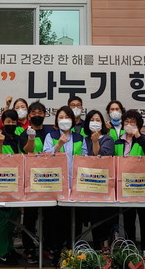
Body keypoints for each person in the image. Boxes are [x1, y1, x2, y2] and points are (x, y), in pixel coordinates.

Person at [44, 106, 87, 263]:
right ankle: (56, 252)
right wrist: (58, 145)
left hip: (75, 186)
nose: (64, 120)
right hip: (56, 186)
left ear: (73, 120)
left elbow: (85, 158)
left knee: (74, 220)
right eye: (61, 117)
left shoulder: (79, 137)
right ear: (56, 120)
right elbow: (45, 157)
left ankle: (72, 252)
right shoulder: (51, 135)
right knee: (56, 221)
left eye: (67, 117)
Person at [115, 109, 145, 249]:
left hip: (143, 185)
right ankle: (130, 249)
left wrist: (138, 135)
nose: (129, 124)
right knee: (128, 219)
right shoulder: (118, 141)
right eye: (126, 121)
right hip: (125, 186)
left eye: (132, 122)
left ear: (138, 124)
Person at [18, 101, 51, 264]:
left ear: (45, 114)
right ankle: (29, 248)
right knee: (30, 216)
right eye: (34, 113)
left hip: (50, 179)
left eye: (40, 112)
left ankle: (47, 247)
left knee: (49, 215)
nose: (37, 115)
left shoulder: (51, 132)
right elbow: (27, 150)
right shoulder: (25, 133)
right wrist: (31, 138)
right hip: (31, 179)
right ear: (29, 115)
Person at [0, 110, 23, 264]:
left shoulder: (18, 138)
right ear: (3, 123)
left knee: (13, 218)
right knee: (4, 218)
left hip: (17, 183)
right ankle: (2, 253)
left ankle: (10, 248)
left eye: (13, 122)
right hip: (3, 183)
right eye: (8, 121)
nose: (11, 124)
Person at [83, 110, 116, 248]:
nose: (95, 123)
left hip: (104, 184)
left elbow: (101, 157)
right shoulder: (84, 139)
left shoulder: (108, 139)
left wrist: (95, 141)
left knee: (105, 219)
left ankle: (106, 248)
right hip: (88, 184)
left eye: (98, 120)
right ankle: (97, 249)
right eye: (92, 120)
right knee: (94, 219)